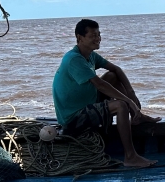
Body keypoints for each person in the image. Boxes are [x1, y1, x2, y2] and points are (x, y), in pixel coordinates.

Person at [53, 18, 159, 168]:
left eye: (99, 34)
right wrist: (128, 101)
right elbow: (99, 84)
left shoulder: (90, 55)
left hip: (87, 102)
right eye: (93, 36)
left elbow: (116, 69)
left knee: (112, 76)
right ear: (79, 38)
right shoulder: (74, 59)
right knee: (120, 106)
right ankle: (130, 157)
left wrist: (131, 93)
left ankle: (137, 117)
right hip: (73, 118)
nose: (98, 39)